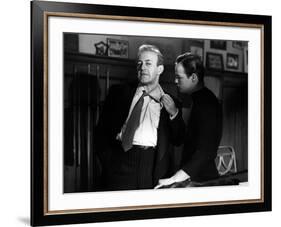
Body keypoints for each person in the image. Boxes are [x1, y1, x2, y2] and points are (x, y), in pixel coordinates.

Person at [96, 44, 183, 191]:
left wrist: (174, 113)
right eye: (139, 64)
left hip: (152, 167)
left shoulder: (172, 102)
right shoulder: (118, 93)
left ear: (159, 69)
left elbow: (179, 138)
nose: (142, 67)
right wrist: (108, 161)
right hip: (119, 163)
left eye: (148, 63)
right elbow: (101, 131)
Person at [156, 53, 222, 188]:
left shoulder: (208, 103)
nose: (175, 81)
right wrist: (174, 114)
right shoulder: (191, 98)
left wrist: (175, 178)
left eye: (179, 77)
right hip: (190, 177)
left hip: (202, 180)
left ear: (193, 78)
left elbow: (206, 152)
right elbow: (181, 139)